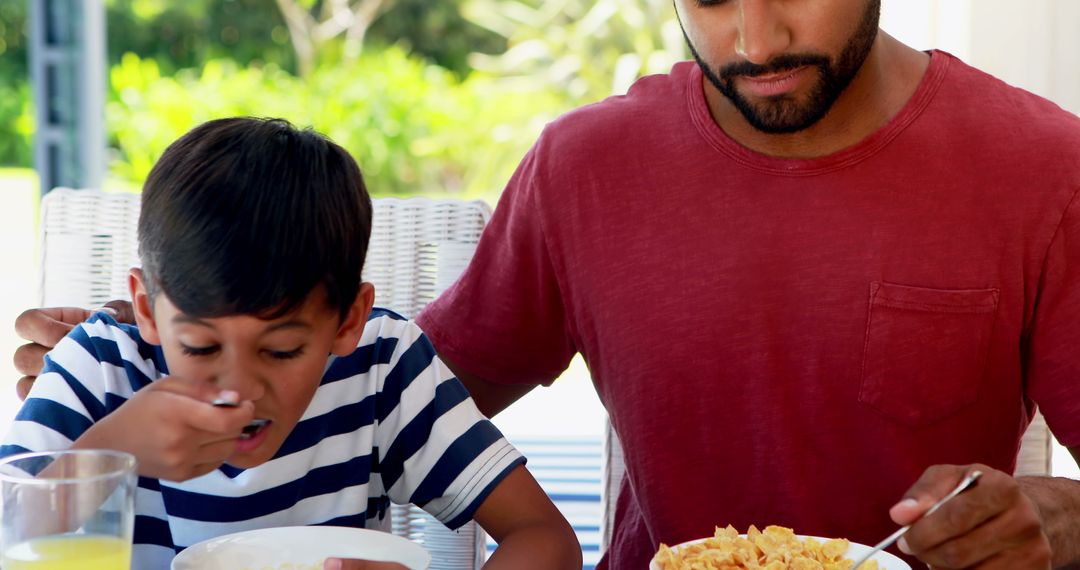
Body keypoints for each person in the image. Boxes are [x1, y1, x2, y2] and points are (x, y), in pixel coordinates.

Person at [14, 2, 1080, 569]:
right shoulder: (587, 167)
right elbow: (390, 378)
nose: (753, 40)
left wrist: (1061, 519)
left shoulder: (1043, 169)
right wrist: (129, 371)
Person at [3, 118, 581, 570]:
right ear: (149, 310)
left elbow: (545, 538)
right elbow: (10, 524)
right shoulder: (104, 367)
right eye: (201, 348)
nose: (239, 388)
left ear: (347, 320)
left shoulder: (380, 367)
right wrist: (110, 451)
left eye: (280, 352)